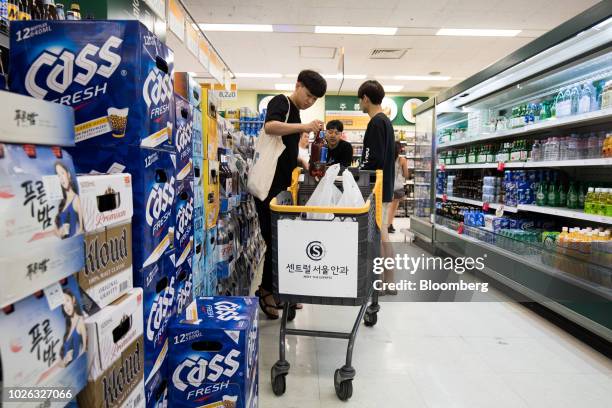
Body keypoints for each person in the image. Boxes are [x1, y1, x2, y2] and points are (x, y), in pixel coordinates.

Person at [255, 70, 327, 319]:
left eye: (315, 100)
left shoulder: (295, 113)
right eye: (308, 95)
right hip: (267, 186)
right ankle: (266, 292)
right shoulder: (281, 102)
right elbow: (270, 127)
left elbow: (286, 150)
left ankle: (281, 291)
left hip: (283, 187)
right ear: (297, 85)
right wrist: (305, 126)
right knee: (274, 240)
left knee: (283, 240)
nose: (310, 102)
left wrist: (304, 164)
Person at [358, 80, 397, 295]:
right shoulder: (386, 122)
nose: (360, 105)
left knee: (380, 234)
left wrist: (360, 171)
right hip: (386, 185)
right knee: (382, 234)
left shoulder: (376, 123)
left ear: (365, 98)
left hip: (377, 187)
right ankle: (388, 281)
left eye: (360, 100)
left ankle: (383, 283)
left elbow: (373, 159)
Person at [54, 161, 83, 239]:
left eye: (62, 173)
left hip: (72, 245)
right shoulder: (62, 202)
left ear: (68, 174)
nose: (61, 178)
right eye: (58, 175)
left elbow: (81, 229)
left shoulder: (76, 199)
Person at [60, 288, 86, 367]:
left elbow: (84, 349)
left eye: (67, 300)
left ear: (73, 300)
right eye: (63, 305)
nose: (66, 306)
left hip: (75, 369)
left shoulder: (80, 321)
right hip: (66, 369)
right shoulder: (68, 324)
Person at [388, 141, 410, 233]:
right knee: (393, 208)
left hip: (387, 185)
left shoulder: (387, 159)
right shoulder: (402, 160)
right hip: (397, 187)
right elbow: (406, 175)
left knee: (387, 207)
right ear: (400, 149)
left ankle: (389, 224)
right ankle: (388, 225)